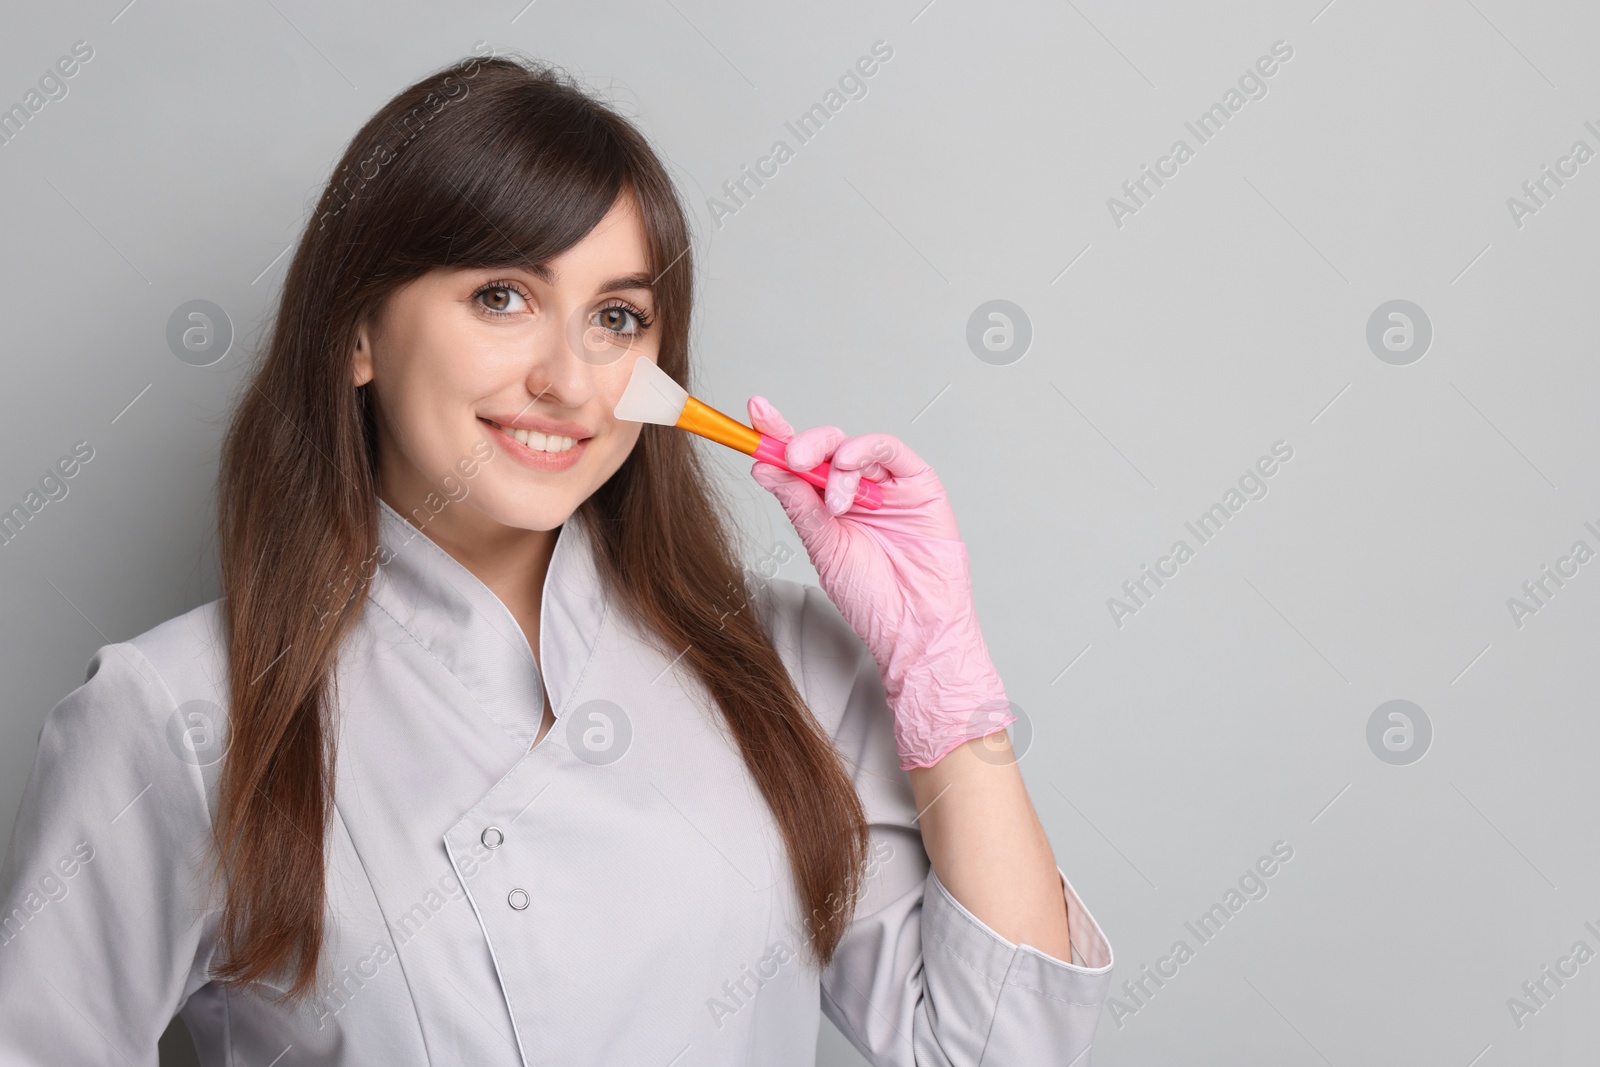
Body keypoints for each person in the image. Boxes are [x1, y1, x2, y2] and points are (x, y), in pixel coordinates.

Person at [0, 52, 1113, 1066]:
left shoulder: (777, 665)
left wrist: (942, 678)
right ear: (356, 335)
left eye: (618, 318)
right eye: (502, 296)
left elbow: (1000, 1054)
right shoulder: (179, 717)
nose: (570, 382)